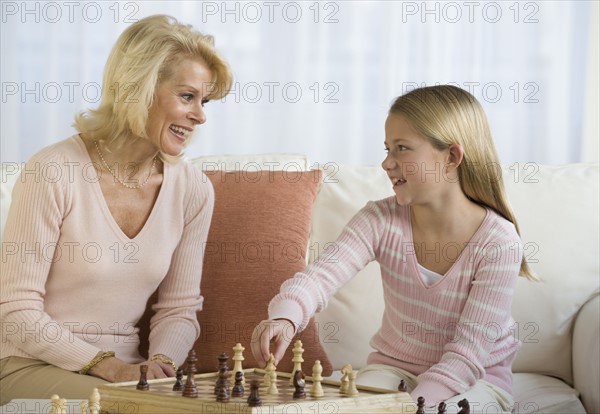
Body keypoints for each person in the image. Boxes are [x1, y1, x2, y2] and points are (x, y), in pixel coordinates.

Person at [251, 85, 536, 413]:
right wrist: (285, 317)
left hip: (476, 380)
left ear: (452, 157)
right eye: (387, 149)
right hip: (393, 369)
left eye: (402, 149)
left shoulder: (498, 242)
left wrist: (408, 408)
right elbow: (320, 277)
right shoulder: (380, 219)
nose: (387, 163)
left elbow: (466, 357)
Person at [0, 15, 232, 403]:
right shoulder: (52, 170)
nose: (200, 115)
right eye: (187, 96)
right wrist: (111, 368)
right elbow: (16, 310)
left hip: (129, 378)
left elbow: (179, 308)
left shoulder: (193, 189)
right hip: (31, 365)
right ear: (139, 89)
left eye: (204, 101)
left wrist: (159, 365)